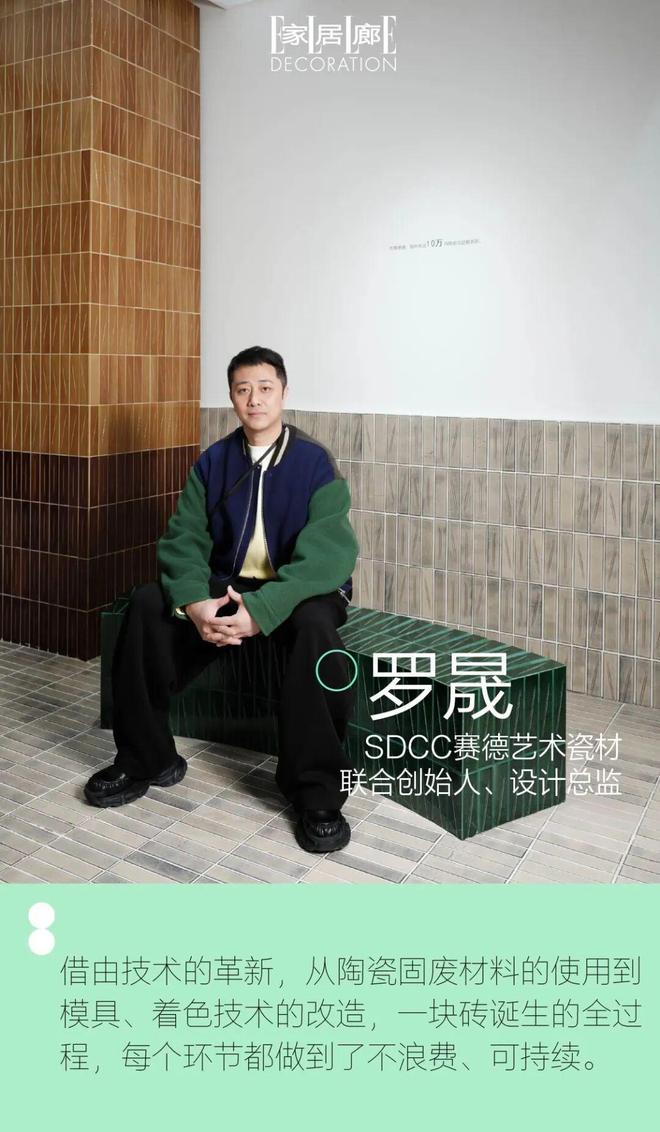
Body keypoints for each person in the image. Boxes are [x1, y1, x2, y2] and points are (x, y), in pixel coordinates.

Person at [84, 346, 359, 853]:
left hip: (298, 592)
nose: (254, 399)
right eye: (242, 389)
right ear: (232, 397)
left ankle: (316, 793)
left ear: (283, 393)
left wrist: (263, 610)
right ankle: (145, 758)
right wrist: (194, 602)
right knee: (147, 604)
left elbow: (329, 557)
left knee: (318, 632)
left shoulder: (314, 463)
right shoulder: (214, 461)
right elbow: (183, 539)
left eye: (265, 388)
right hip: (230, 584)